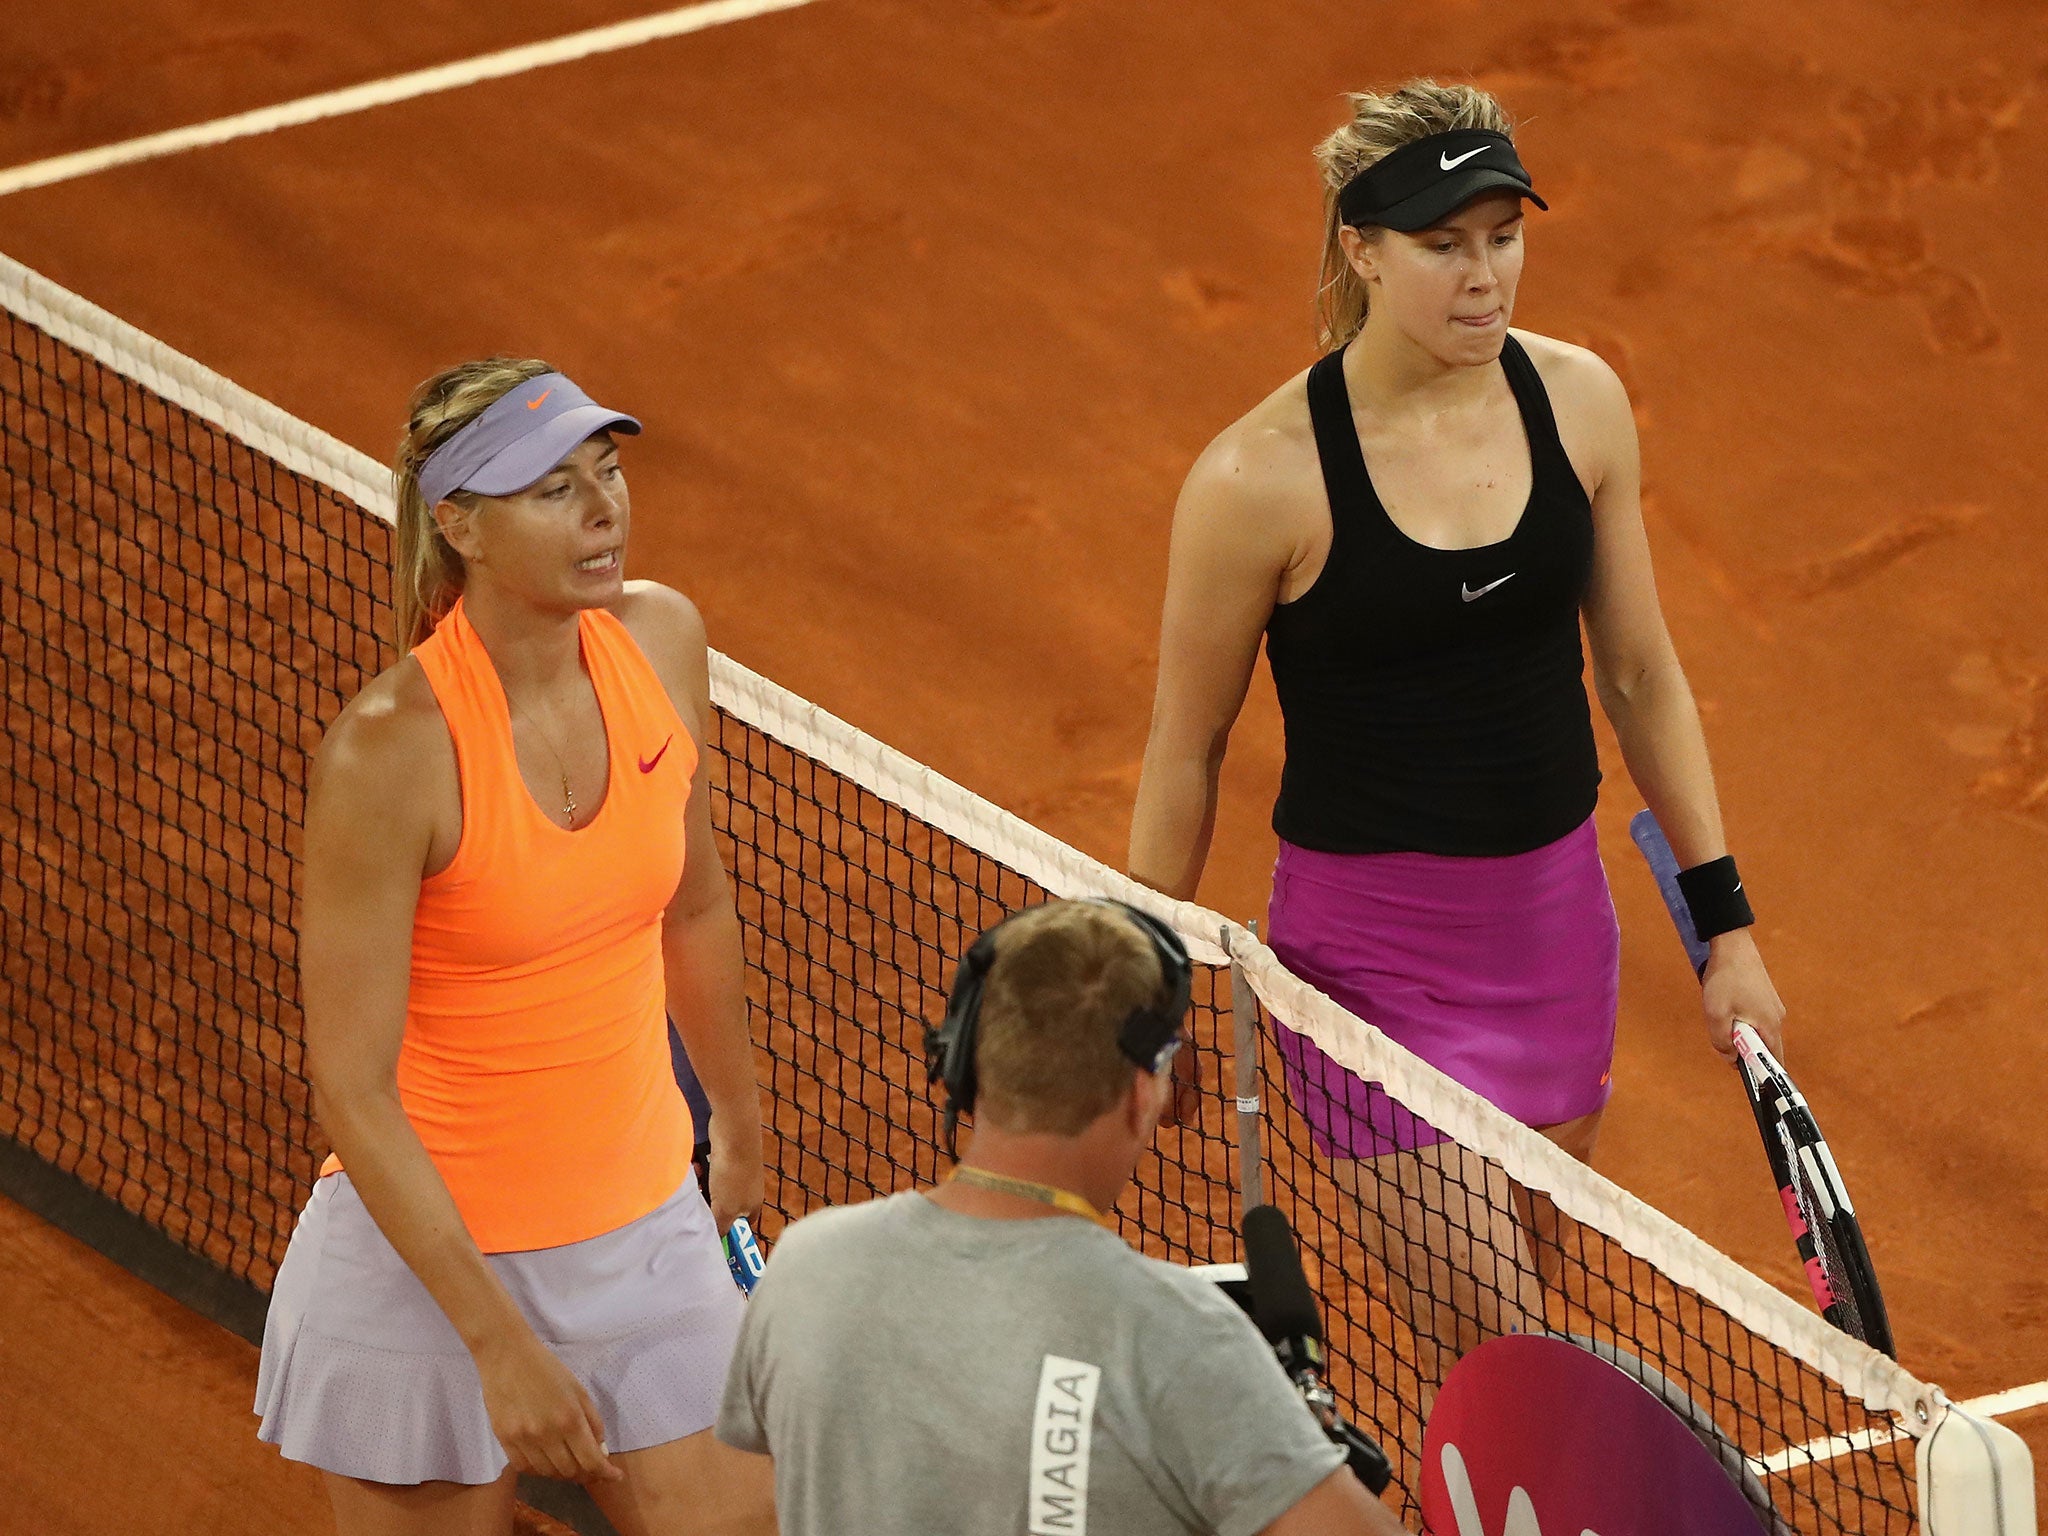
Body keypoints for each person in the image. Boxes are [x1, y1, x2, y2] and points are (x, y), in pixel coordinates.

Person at [1127, 81, 1787, 1395]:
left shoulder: (1579, 403)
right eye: (1444, 247)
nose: (1484, 278)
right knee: (1514, 1355)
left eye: (1502, 237)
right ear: (1360, 250)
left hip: (1556, 943)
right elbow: (1183, 753)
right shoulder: (1260, 480)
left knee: (1516, 1343)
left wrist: (1730, 928)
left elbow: (1644, 672)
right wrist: (1146, 989)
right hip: (1370, 976)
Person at [256, 357, 774, 1536]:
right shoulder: (389, 754)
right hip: (428, 1271)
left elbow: (692, 906)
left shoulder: (662, 640)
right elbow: (352, 1085)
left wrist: (735, 1123)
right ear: (460, 527)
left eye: (607, 471)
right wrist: (497, 1342)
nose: (602, 510)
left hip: (644, 1226)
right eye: (551, 489)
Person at [716, 898, 1407, 1536]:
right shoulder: (1176, 1337)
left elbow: (757, 1506)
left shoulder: (804, 1267)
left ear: (965, 1065)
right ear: (1142, 1096)